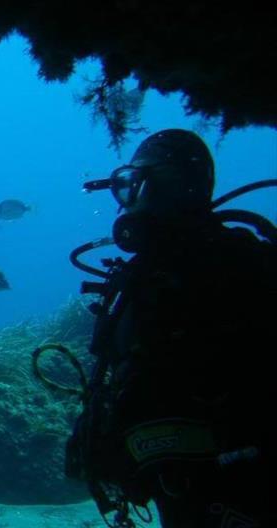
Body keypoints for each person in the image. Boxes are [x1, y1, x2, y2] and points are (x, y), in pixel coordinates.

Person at [65, 129, 276, 527]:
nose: (128, 203)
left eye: (136, 185)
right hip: (181, 492)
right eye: (122, 188)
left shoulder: (244, 267)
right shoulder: (140, 280)